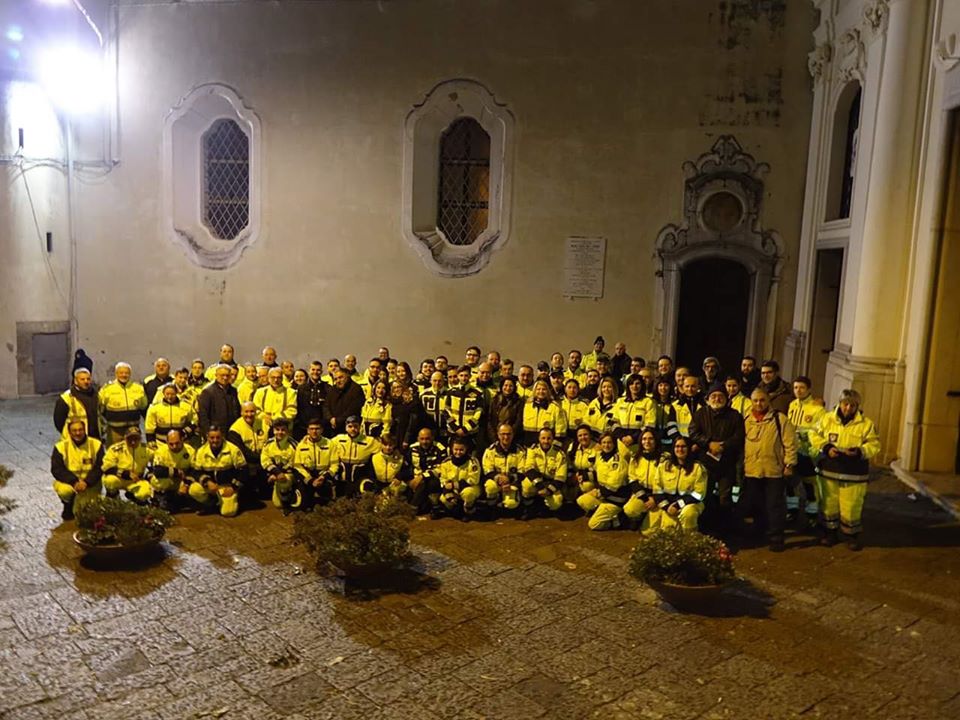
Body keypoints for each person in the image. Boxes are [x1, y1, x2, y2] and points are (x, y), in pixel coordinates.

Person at [810, 389, 881, 550]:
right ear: (840, 403)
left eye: (852, 405)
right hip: (829, 470)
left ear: (857, 406)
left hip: (854, 473)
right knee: (829, 503)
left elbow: (874, 444)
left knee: (852, 505)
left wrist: (859, 451)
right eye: (845, 404)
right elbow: (814, 434)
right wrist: (826, 447)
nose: (848, 408)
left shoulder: (866, 424)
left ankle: (851, 536)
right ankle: (830, 533)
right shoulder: (827, 419)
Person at [738, 388, 798, 552]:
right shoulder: (745, 419)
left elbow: (790, 443)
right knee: (756, 503)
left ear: (768, 400)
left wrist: (789, 464)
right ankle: (758, 532)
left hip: (774, 470)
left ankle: (776, 537)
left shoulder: (780, 419)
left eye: (762, 400)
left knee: (774, 505)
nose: (759, 403)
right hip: (752, 470)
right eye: (755, 400)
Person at [689, 384, 745, 525]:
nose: (717, 399)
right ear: (707, 399)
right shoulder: (700, 414)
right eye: (713, 396)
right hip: (705, 463)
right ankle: (706, 525)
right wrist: (708, 443)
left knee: (725, 497)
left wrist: (723, 446)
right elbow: (693, 432)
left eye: (720, 396)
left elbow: (739, 437)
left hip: (726, 463)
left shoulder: (735, 416)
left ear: (727, 398)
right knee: (704, 495)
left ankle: (724, 527)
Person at [788, 376, 826, 525]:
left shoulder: (818, 409)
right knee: (791, 483)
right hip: (793, 450)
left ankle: (812, 514)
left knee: (809, 484)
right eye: (796, 387)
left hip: (808, 453)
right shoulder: (792, 405)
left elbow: (820, 431)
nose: (798, 391)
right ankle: (792, 511)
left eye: (802, 387)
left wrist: (805, 436)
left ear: (809, 389)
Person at [51, 418, 104, 520]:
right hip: (69, 483)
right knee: (64, 491)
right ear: (69, 432)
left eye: (80, 430)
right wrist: (74, 481)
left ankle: (78, 503)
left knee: (86, 513)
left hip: (90, 484)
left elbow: (100, 467)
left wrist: (87, 482)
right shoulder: (60, 447)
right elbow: (57, 469)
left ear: (85, 430)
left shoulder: (96, 444)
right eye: (74, 430)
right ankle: (68, 504)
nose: (78, 433)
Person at [190, 425, 247, 517]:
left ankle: (233, 499)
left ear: (222, 436)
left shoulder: (233, 449)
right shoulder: (201, 451)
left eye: (218, 437)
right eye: (212, 437)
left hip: (227, 487)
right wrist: (207, 481)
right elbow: (196, 472)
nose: (215, 440)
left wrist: (233, 487)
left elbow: (243, 471)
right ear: (207, 436)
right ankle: (211, 503)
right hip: (210, 487)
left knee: (228, 512)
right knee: (194, 489)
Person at [577, 432, 630, 530]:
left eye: (609, 442)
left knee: (593, 524)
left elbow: (613, 486)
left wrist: (598, 493)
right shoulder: (601, 456)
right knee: (582, 501)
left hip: (615, 499)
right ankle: (604, 513)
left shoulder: (618, 461)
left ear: (614, 444)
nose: (606, 445)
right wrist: (583, 476)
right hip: (604, 496)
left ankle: (618, 519)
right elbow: (597, 473)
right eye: (604, 442)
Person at [653, 436, 707, 532]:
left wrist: (678, 505)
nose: (680, 449)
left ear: (689, 449)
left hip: (691, 504)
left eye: (683, 446)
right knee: (667, 532)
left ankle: (691, 540)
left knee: (688, 514)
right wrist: (666, 507)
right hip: (669, 505)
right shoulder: (664, 466)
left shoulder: (698, 468)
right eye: (677, 446)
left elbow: (699, 494)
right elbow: (657, 489)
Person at [521, 427, 568, 518]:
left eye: (549, 438)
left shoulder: (559, 454)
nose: (546, 441)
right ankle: (529, 508)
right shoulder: (532, 450)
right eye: (543, 438)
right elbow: (529, 469)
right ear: (539, 439)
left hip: (552, 483)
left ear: (553, 439)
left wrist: (548, 490)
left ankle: (547, 509)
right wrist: (540, 486)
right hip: (537, 482)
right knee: (527, 485)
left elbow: (561, 477)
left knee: (556, 502)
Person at [293, 418, 339, 510]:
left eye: (317, 429)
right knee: (302, 506)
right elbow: (297, 466)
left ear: (322, 430)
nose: (314, 431)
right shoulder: (301, 445)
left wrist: (324, 477)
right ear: (308, 430)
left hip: (323, 477)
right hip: (308, 477)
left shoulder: (330, 444)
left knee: (328, 506)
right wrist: (310, 480)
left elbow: (335, 465)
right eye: (312, 429)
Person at [623, 430, 664, 532]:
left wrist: (655, 499)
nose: (647, 442)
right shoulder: (636, 457)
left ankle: (650, 517)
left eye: (651, 439)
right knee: (630, 509)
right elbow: (632, 479)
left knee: (648, 532)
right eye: (644, 439)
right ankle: (639, 517)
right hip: (643, 494)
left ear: (656, 441)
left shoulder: (664, 459)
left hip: (658, 496)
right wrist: (645, 499)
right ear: (640, 441)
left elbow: (668, 483)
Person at [99, 362, 148, 445]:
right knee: (114, 453)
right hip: (114, 430)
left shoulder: (138, 388)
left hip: (134, 429)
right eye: (121, 373)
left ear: (130, 374)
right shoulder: (107, 389)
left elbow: (144, 406)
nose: (124, 375)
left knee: (133, 453)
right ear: (116, 373)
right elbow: (101, 408)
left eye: (126, 373)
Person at [482, 423, 526, 516]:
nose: (506, 437)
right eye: (503, 434)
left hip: (512, 483)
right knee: (490, 486)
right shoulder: (490, 451)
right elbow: (487, 470)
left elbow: (522, 472)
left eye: (508, 434)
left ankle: (508, 504)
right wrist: (499, 478)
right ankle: (492, 507)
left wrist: (509, 480)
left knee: (511, 504)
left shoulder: (520, 451)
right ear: (498, 435)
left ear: (513, 435)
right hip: (496, 482)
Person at [228, 402, 269, 501]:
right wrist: (262, 458)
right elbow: (242, 453)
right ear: (241, 413)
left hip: (262, 463)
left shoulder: (264, 424)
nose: (249, 414)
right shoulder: (235, 429)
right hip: (245, 465)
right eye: (246, 412)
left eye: (252, 411)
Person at [102, 426, 154, 503]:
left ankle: (132, 496)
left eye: (136, 439)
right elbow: (106, 467)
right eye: (130, 439)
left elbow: (156, 463)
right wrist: (125, 473)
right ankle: (113, 496)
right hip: (119, 479)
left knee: (145, 492)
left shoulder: (147, 450)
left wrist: (149, 475)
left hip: (135, 481)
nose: (133, 442)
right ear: (125, 438)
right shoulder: (115, 449)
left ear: (140, 439)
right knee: (110, 481)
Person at [332, 416, 380, 497]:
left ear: (360, 427)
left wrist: (395, 451)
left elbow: (385, 448)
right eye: (350, 426)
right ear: (346, 428)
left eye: (355, 426)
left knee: (366, 489)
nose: (353, 429)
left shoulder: (369, 441)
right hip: (342, 478)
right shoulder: (338, 439)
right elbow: (325, 445)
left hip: (360, 477)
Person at [148, 429, 195, 512]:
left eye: (177, 443)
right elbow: (157, 471)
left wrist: (186, 484)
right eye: (171, 444)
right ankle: (160, 497)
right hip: (168, 481)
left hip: (183, 480)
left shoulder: (190, 451)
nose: (174, 446)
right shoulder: (161, 451)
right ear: (167, 442)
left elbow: (194, 470)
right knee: (157, 480)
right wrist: (176, 472)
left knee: (195, 487)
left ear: (182, 440)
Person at [436, 436, 482, 519]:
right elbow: (443, 479)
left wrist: (454, 485)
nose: (458, 452)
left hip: (470, 488)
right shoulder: (446, 462)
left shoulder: (473, 462)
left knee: (468, 494)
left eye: (461, 450)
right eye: (456, 449)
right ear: (451, 449)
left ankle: (469, 510)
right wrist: (448, 493)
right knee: (443, 499)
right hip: (453, 490)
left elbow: (473, 480)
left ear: (466, 449)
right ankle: (456, 510)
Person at [260, 418, 298, 514]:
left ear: (287, 431)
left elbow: (294, 464)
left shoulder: (293, 445)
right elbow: (265, 461)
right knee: (277, 504)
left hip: (289, 475)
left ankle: (289, 503)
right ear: (273, 430)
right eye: (277, 429)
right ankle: (281, 492)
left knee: (284, 482)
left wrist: (279, 474)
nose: (280, 432)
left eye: (283, 430)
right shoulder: (268, 444)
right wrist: (275, 473)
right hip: (276, 474)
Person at [443, 366, 484, 450]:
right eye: (461, 375)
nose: (464, 378)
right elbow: (446, 411)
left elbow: (478, 413)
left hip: (470, 432)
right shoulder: (451, 392)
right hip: (454, 431)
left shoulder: (477, 393)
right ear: (458, 376)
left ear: (470, 376)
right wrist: (456, 428)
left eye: (466, 375)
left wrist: (466, 428)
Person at [54, 368, 100, 441]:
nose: (86, 381)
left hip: (94, 438)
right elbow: (59, 421)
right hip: (75, 438)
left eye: (88, 379)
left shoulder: (97, 395)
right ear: (75, 381)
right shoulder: (66, 398)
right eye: (82, 379)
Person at [613, 374, 655, 454]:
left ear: (642, 385)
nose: (634, 386)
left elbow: (649, 425)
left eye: (637, 383)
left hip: (639, 443)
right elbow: (614, 422)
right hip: (621, 444)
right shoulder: (620, 401)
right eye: (631, 384)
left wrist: (632, 438)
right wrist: (622, 437)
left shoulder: (648, 402)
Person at [407, 427, 446, 513]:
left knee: (427, 483)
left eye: (427, 439)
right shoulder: (412, 448)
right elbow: (407, 465)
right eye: (422, 439)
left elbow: (441, 469)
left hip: (432, 479)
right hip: (414, 478)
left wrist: (422, 476)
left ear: (432, 438)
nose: (424, 442)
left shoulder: (440, 449)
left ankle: (414, 507)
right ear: (418, 439)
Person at [197, 364, 242, 439]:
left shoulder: (233, 391)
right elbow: (203, 416)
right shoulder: (207, 392)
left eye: (227, 375)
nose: (225, 378)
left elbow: (237, 411)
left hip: (232, 433)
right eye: (222, 375)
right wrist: (208, 433)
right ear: (216, 375)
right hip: (215, 435)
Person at [520, 379, 568, 447]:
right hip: (529, 445)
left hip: (548, 446)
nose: (541, 391)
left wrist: (555, 446)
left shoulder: (555, 407)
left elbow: (560, 429)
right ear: (534, 391)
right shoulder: (527, 406)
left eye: (544, 389)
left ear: (548, 391)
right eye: (538, 389)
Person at [253, 367, 298, 435]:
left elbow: (292, 411)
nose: (276, 380)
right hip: (263, 429)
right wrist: (264, 416)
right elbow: (255, 409)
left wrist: (273, 418)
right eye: (273, 377)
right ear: (268, 378)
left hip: (283, 430)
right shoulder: (260, 392)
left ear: (282, 378)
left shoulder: (291, 392)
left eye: (278, 377)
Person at [326, 368, 365, 437]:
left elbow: (354, 409)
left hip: (350, 427)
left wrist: (338, 420)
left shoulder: (356, 389)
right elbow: (325, 406)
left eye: (341, 377)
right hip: (333, 427)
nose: (338, 381)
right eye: (336, 379)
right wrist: (330, 418)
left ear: (347, 376)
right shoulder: (332, 390)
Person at [294, 361, 329, 441]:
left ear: (322, 371)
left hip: (322, 428)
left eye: (318, 370)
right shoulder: (301, 388)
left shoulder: (327, 388)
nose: (315, 372)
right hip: (304, 427)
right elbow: (299, 407)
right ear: (309, 371)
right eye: (313, 370)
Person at [567, 424, 599, 505]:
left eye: (585, 434)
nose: (583, 437)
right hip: (576, 476)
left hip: (592, 480)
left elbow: (599, 471)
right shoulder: (573, 447)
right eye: (580, 435)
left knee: (586, 485)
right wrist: (572, 476)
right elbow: (568, 464)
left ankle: (592, 504)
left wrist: (583, 475)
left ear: (590, 435)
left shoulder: (597, 448)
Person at [367, 433, 406, 498]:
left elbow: (405, 471)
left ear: (394, 445)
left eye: (390, 445)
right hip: (378, 487)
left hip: (393, 487)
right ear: (381, 444)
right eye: (385, 445)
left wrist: (399, 477)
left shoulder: (400, 458)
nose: (388, 447)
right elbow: (371, 476)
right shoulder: (374, 457)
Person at [672, 375, 704, 441]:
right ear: (683, 387)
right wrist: (681, 441)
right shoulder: (675, 405)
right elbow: (671, 427)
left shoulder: (705, 405)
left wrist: (700, 442)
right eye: (687, 386)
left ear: (698, 387)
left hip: (700, 445)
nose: (690, 389)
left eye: (693, 386)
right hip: (680, 445)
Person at [390, 382, 420, 449]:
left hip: (406, 435)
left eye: (399, 387)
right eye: (394, 388)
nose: (397, 389)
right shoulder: (392, 402)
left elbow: (412, 422)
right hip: (396, 435)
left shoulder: (411, 402)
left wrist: (406, 439)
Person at [652, 377, 679, 450]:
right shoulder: (652, 403)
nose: (663, 388)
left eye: (666, 385)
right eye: (660, 385)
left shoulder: (675, 403)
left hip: (670, 438)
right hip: (655, 438)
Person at [418, 371, 447, 440]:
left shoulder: (449, 393)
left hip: (445, 430)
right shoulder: (423, 394)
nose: (437, 383)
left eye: (440, 381)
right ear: (430, 381)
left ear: (444, 381)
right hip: (429, 431)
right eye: (434, 380)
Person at [560, 380, 589, 445]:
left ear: (578, 390)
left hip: (577, 438)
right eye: (569, 387)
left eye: (574, 388)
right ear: (565, 389)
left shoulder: (584, 405)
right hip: (561, 437)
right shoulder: (559, 403)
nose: (572, 390)